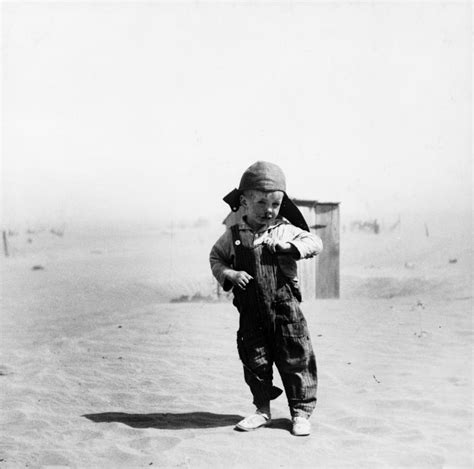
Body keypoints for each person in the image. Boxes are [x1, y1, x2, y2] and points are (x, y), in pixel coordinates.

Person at [209, 161, 323, 436]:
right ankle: (262, 410)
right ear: (244, 202)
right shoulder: (234, 236)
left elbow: (315, 243)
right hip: (251, 313)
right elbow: (216, 258)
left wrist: (289, 248)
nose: (269, 210)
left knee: (296, 358)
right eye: (261, 203)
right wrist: (231, 274)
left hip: (286, 312)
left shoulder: (284, 230)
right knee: (255, 361)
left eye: (275, 204)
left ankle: (300, 413)